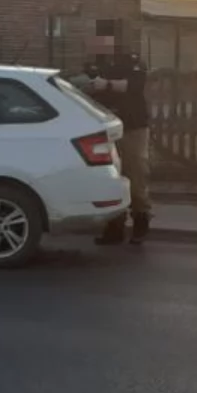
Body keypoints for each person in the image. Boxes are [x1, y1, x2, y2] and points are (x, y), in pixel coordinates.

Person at [81, 43, 152, 244]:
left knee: (135, 173)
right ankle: (114, 227)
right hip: (107, 127)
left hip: (133, 126)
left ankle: (141, 221)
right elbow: (89, 86)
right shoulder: (98, 61)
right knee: (111, 177)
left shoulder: (132, 60)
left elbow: (135, 85)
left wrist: (107, 84)